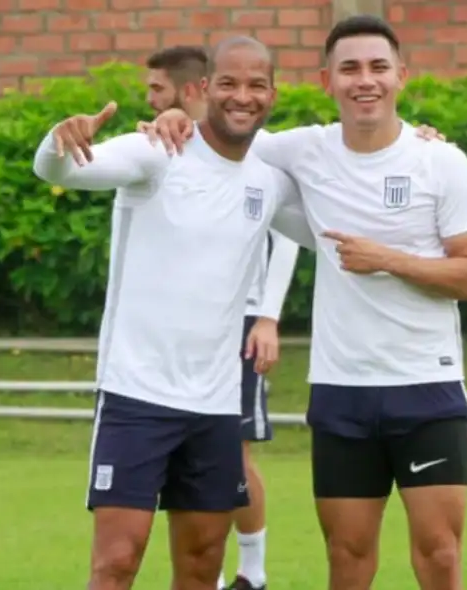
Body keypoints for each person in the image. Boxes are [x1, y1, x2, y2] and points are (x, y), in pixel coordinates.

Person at [143, 15, 467, 590]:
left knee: (440, 555)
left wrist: (389, 258)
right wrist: (181, 115)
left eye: (378, 67)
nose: (365, 81)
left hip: (426, 389)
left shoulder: (440, 162)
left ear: (401, 76)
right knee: (348, 559)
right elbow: (228, 134)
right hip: (342, 391)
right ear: (326, 80)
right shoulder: (303, 150)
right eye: (349, 69)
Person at [32, 36, 315, 590]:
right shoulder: (158, 151)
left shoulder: (269, 178)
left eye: (256, 85)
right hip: (136, 395)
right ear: (204, 89)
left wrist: (417, 146)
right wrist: (59, 140)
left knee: (203, 560)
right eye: (228, 83)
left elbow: (339, 220)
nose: (242, 96)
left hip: (214, 406)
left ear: (272, 95)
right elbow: (60, 172)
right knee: (116, 562)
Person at [142, 44, 301, 590]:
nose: (150, 100)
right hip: (177, 336)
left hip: (240, 325)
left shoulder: (264, 151)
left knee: (233, 450)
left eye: (158, 91)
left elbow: (288, 234)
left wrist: (267, 317)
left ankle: (251, 571)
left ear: (191, 90)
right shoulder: (166, 152)